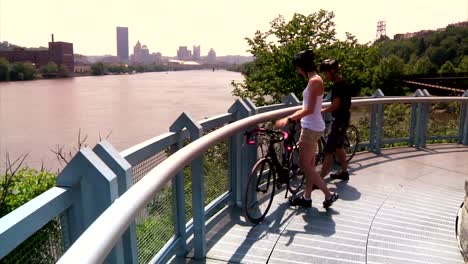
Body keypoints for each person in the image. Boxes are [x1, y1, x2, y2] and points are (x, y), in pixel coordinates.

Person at [275, 50, 338, 208]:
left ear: (302, 66)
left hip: (311, 128)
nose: (297, 71)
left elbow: (309, 109)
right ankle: (307, 197)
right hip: (312, 126)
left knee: (304, 165)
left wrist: (288, 119)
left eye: (297, 68)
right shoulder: (315, 79)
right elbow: (308, 107)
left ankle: (329, 195)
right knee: (309, 165)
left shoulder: (314, 81)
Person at [319, 59, 353, 181]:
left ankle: (319, 179)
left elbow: (335, 105)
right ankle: (344, 172)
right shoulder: (344, 82)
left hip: (339, 120)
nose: (325, 76)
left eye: (326, 73)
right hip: (344, 118)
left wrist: (320, 111)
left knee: (329, 149)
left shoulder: (338, 86)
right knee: (339, 147)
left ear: (333, 71)